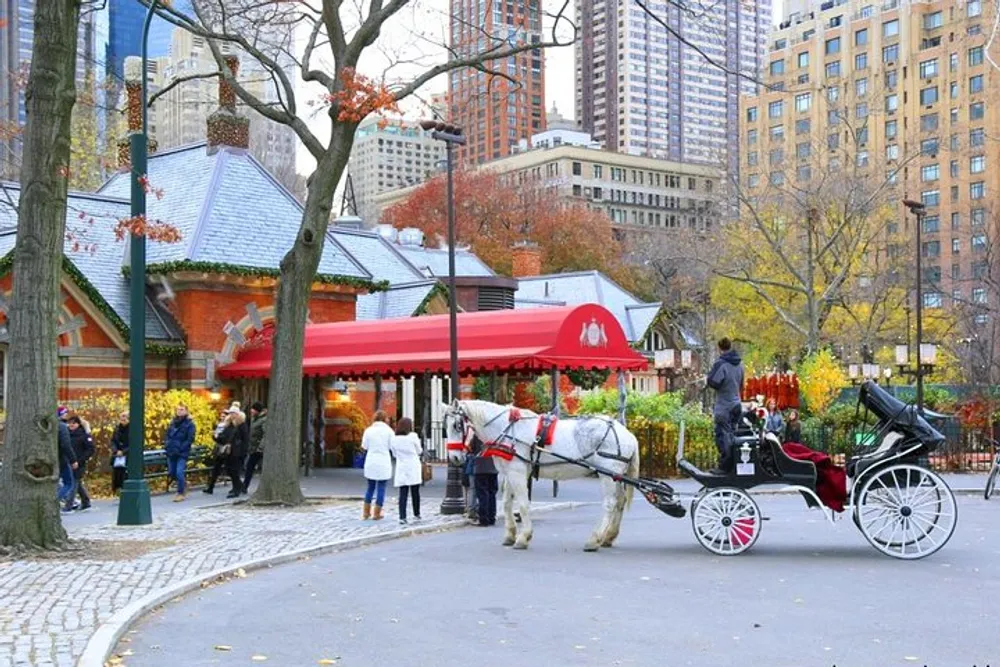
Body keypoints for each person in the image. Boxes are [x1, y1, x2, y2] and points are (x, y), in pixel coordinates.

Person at [706, 337, 745, 474]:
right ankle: (734, 463)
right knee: (733, 435)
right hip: (736, 403)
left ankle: (725, 467)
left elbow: (714, 382)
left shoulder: (721, 364)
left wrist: (708, 377)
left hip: (724, 405)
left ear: (719, 348)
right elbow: (741, 385)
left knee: (723, 436)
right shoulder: (740, 364)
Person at [205, 407, 246, 498]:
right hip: (228, 451)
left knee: (234, 471)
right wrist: (216, 437)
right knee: (229, 471)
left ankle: (237, 490)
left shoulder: (241, 425)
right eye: (230, 413)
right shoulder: (228, 425)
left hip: (236, 452)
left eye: (233, 413)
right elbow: (223, 438)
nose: (231, 415)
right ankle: (239, 487)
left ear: (237, 414)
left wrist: (242, 452)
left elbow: (245, 439)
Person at [361, 410, 394, 520]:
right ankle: (377, 513)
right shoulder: (389, 431)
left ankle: (366, 512)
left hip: (371, 460)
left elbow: (364, 446)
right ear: (385, 419)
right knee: (381, 487)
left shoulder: (369, 430)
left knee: (370, 487)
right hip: (383, 460)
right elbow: (392, 446)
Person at [390, 417, 423, 525]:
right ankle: (416, 513)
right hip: (413, 465)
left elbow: (394, 454)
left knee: (403, 492)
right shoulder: (413, 437)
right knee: (415, 491)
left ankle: (402, 516)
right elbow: (419, 450)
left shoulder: (394, 438)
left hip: (402, 466)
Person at [165, 404, 196, 502]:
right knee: (172, 472)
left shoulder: (190, 424)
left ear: (186, 411)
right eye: (178, 409)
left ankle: (180, 493)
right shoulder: (172, 423)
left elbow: (190, 439)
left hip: (182, 452)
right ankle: (184, 484)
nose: (179, 411)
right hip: (171, 451)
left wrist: (181, 448)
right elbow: (167, 435)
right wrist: (167, 445)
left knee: (179, 472)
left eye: (182, 409)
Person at [64, 415, 94, 511]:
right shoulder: (66, 434)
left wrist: (81, 460)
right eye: (70, 423)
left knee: (74, 483)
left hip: (79, 462)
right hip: (68, 461)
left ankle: (68, 505)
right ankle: (86, 502)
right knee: (78, 484)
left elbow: (90, 449)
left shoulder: (84, 435)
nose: (71, 425)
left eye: (74, 423)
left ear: (78, 424)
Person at [472, 438, 499, 526]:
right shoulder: (494, 435)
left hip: (480, 467)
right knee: (492, 493)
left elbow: (471, 449)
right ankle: (492, 517)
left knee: (482, 494)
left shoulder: (477, 436)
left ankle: (483, 518)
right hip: (493, 467)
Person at [242, 401, 267, 494]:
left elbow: (265, 434)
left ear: (257, 410)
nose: (251, 411)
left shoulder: (264, 420)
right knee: (249, 467)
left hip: (259, 448)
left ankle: (245, 486)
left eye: (253, 409)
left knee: (252, 466)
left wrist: (261, 447)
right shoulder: (254, 419)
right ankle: (244, 486)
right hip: (253, 447)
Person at [57, 414, 77, 510]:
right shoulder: (62, 427)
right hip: (61, 459)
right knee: (68, 483)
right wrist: (73, 460)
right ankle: (55, 500)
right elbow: (66, 445)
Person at [110, 411, 130, 494]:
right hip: (117, 455)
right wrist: (116, 450)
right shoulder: (117, 429)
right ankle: (118, 489)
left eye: (125, 417)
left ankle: (125, 489)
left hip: (128, 455)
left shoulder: (132, 429)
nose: (123, 419)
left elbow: (134, 443)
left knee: (125, 473)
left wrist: (124, 451)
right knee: (117, 473)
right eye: (121, 417)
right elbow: (113, 441)